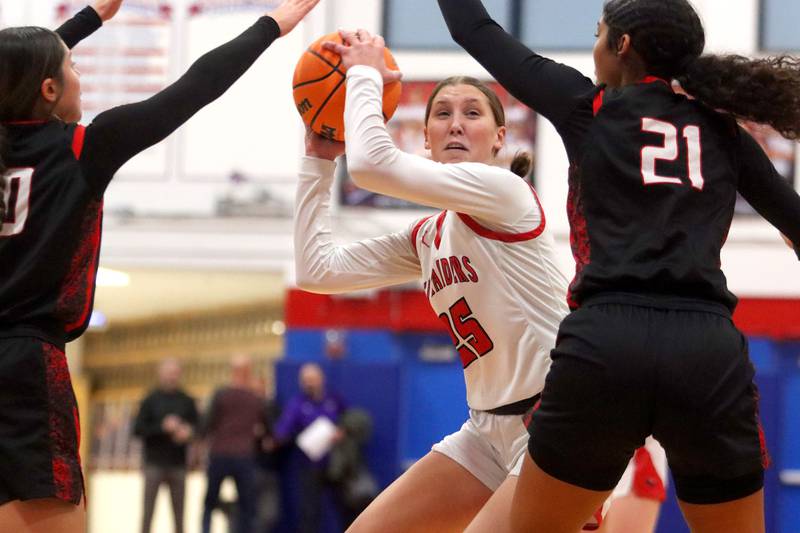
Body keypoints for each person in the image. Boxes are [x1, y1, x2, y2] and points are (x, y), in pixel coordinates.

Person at [436, 0, 800, 531]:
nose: (593, 44)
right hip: (705, 349)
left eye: (598, 32)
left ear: (621, 46)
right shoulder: (724, 132)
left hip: (605, 342)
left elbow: (473, 26)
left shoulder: (587, 105)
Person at [294, 29, 666, 532]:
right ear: (424, 139)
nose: (455, 124)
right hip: (488, 429)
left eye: (472, 113)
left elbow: (370, 164)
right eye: (442, 113)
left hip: (562, 417)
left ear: (498, 139)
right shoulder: (428, 236)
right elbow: (318, 270)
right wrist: (317, 158)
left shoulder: (505, 193)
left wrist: (361, 70)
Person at [0, 0, 320, 531]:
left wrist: (86, 20)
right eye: (73, 66)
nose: (80, 75)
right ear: (49, 91)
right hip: (28, 367)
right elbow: (196, 85)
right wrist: (272, 26)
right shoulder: (83, 146)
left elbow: (14, 70)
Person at [272, 363, 349, 532]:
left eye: (312, 379)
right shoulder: (297, 403)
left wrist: (341, 432)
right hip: (309, 465)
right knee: (309, 510)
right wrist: (277, 438)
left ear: (321, 379)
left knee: (345, 506)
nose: (310, 383)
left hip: (335, 464)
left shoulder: (333, 399)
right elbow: (283, 429)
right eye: (306, 380)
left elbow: (347, 419)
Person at [200, 355, 266, 533]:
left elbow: (207, 424)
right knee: (247, 507)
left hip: (220, 454)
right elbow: (267, 428)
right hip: (244, 456)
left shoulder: (221, 394)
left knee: (209, 503)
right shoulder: (255, 398)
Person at [133, 358, 198, 533]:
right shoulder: (150, 400)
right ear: (160, 374)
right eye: (169, 373)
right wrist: (162, 427)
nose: (172, 377)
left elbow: (198, 428)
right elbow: (138, 429)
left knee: (179, 515)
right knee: (148, 513)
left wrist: (188, 432)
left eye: (175, 373)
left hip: (178, 464)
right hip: (154, 463)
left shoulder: (187, 400)